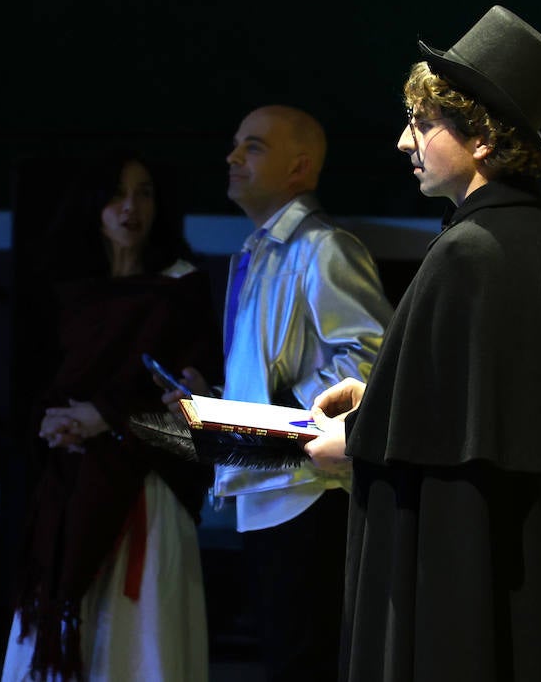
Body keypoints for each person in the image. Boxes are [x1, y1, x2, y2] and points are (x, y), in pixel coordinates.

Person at [307, 7, 541, 681]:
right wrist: (386, 397)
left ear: (481, 137)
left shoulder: (471, 250)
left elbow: (470, 442)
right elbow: (490, 403)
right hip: (526, 580)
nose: (405, 142)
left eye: (423, 123)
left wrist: (353, 441)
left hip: (461, 579)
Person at [160, 105, 392, 682]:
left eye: (254, 147)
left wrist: (289, 426)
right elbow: (275, 374)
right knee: (290, 658)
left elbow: (371, 362)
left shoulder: (323, 248)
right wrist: (214, 398)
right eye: (237, 144)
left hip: (305, 491)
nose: (233, 157)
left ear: (299, 168)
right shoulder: (264, 249)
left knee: (305, 660)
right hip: (273, 490)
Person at [2, 153, 219, 682]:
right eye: (117, 194)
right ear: (94, 207)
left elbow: (189, 384)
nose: (131, 207)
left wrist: (105, 415)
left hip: (144, 484)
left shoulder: (181, 285)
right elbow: (39, 382)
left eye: (144, 193)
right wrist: (57, 421)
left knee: (140, 634)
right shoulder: (67, 289)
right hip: (72, 483)